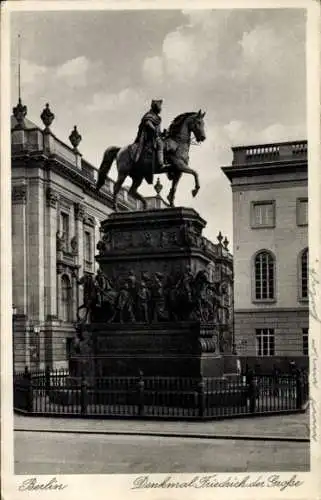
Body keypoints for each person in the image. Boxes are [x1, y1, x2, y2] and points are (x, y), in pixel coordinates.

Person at [134, 99, 166, 173]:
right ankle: (161, 164)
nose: (161, 109)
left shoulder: (157, 117)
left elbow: (158, 131)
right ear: (156, 107)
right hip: (148, 136)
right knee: (160, 144)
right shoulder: (149, 115)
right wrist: (154, 129)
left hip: (155, 136)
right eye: (160, 107)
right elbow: (148, 123)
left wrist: (163, 133)